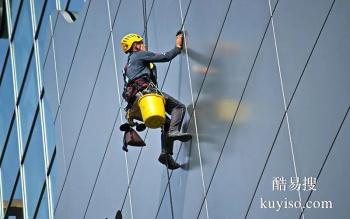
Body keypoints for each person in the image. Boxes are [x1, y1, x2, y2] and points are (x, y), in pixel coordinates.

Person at [120, 32, 191, 170]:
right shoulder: (138, 55)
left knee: (167, 123)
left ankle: (165, 155)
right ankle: (174, 132)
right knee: (179, 108)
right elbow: (165, 57)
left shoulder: (128, 65)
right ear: (135, 46)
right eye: (141, 42)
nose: (144, 45)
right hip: (146, 96)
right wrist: (177, 47)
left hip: (136, 106)